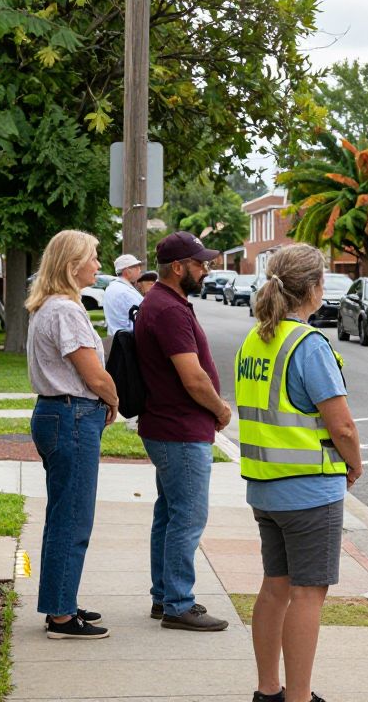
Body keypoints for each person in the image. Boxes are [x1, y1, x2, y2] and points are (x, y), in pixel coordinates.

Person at [235, 244, 363, 702]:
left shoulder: (257, 338)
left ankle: (268, 691)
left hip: (266, 488)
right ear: (312, 289)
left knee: (275, 588)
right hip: (310, 491)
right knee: (309, 595)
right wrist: (355, 463)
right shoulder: (308, 344)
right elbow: (342, 424)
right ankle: (300, 698)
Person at [25, 230, 119, 639]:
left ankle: (60, 602)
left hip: (59, 416)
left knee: (63, 516)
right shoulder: (64, 310)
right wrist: (113, 399)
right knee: (73, 519)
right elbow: (93, 374)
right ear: (71, 264)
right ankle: (61, 617)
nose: (98, 265)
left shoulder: (49, 306)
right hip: (72, 416)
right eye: (93, 258)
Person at [135, 231, 230, 630]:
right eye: (200, 264)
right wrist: (220, 409)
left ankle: (165, 597)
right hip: (179, 429)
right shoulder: (169, 309)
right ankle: (177, 603)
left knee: (170, 514)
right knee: (188, 516)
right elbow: (192, 378)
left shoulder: (162, 302)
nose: (206, 270)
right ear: (178, 267)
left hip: (167, 426)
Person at [103, 254, 144, 336]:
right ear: (128, 270)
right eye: (136, 267)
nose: (140, 270)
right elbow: (140, 318)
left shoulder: (112, 287)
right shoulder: (125, 292)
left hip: (116, 338)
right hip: (127, 340)